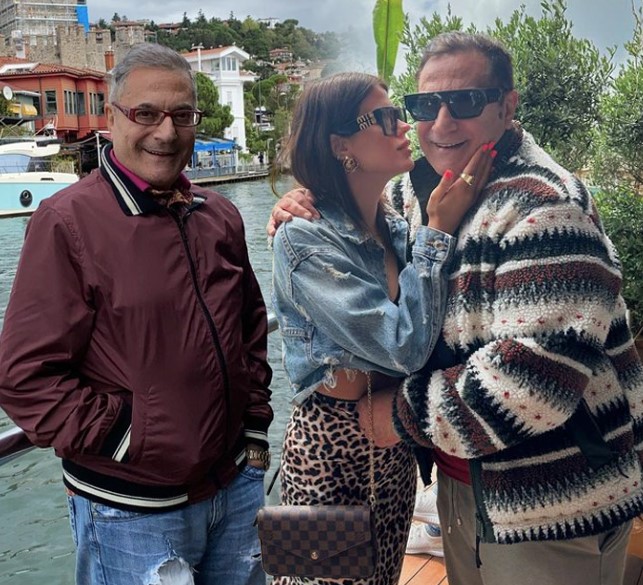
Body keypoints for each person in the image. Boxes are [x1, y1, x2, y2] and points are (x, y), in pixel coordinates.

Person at [269, 32, 643, 585]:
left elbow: (530, 384)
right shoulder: (411, 196)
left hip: (549, 500)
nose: (435, 123)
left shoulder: (546, 207)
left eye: (465, 101)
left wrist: (396, 418)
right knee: (306, 578)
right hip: (351, 452)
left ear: (507, 107)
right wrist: (300, 203)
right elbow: (341, 234)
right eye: (421, 105)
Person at [0, 43, 273, 585]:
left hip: (235, 484)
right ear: (113, 118)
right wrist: (128, 438)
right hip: (132, 511)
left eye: (181, 115)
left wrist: (254, 428)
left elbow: (250, 330)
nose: (165, 132)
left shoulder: (218, 216)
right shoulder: (67, 222)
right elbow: (24, 377)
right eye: (145, 113)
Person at [270, 71, 494, 585]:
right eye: (387, 118)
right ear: (340, 144)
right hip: (327, 447)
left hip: (391, 439)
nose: (404, 127)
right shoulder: (302, 238)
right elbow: (402, 347)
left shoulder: (393, 224)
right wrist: (438, 230)